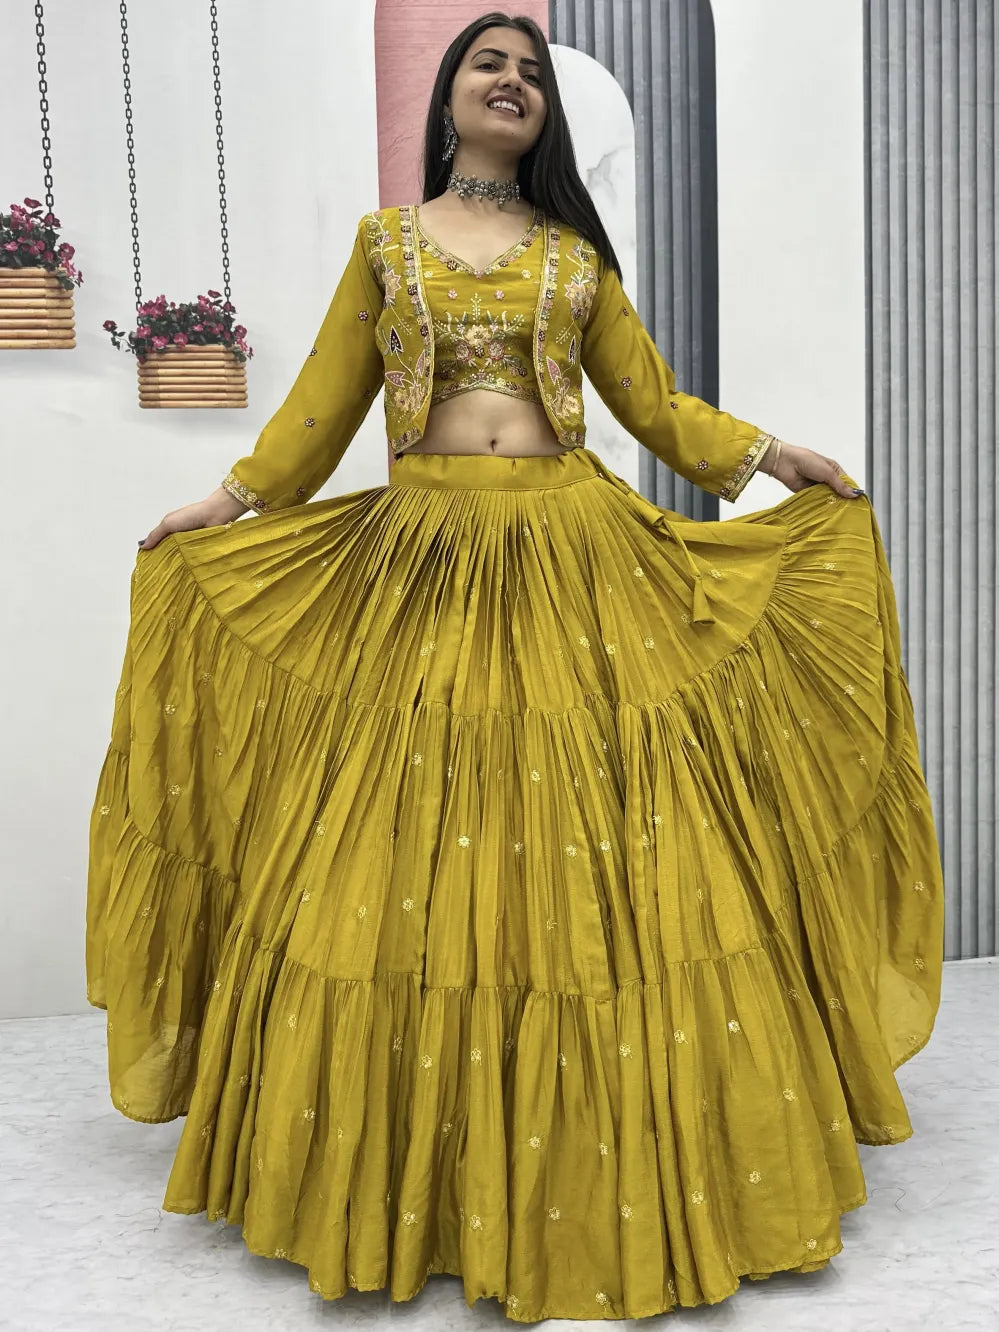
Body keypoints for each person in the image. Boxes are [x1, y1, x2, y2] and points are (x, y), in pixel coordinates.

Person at [86, 10, 944, 1323]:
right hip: (422, 558)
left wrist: (774, 454)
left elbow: (655, 405)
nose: (512, 81)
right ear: (447, 101)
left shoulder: (571, 256)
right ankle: (415, 1175)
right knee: (405, 847)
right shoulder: (385, 247)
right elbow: (322, 408)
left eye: (531, 71)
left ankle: (614, 1169)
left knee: (598, 849)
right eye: (489, 63)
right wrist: (231, 500)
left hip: (570, 548)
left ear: (545, 115)